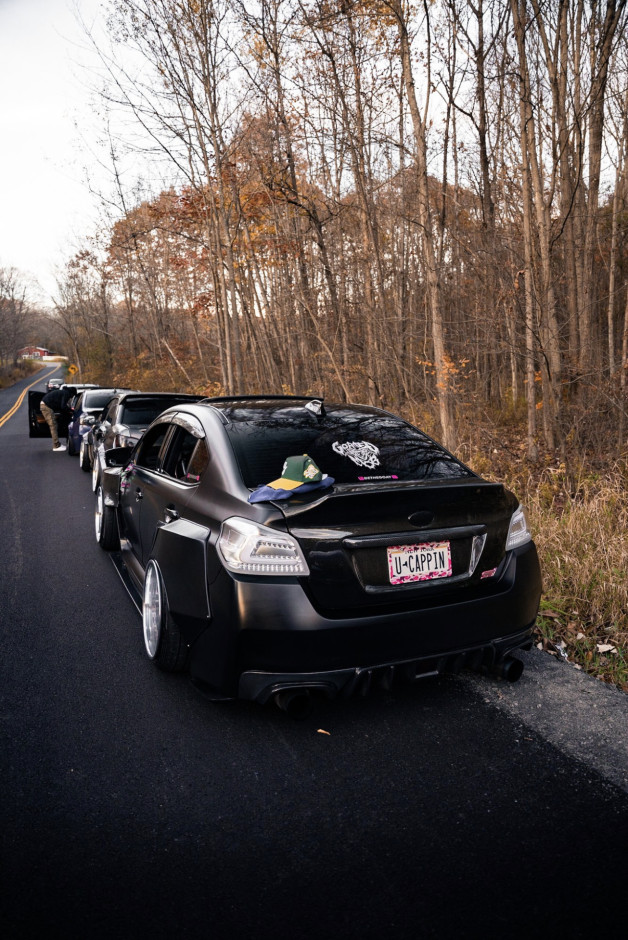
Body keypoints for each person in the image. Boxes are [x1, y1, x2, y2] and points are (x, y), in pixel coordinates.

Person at [40, 385, 77, 451]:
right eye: (73, 396)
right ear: (72, 393)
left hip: (45, 405)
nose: (71, 397)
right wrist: (71, 411)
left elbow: (60, 406)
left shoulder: (63, 392)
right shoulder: (66, 394)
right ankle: (56, 446)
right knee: (53, 425)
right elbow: (63, 406)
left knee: (54, 425)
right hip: (46, 407)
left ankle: (57, 444)